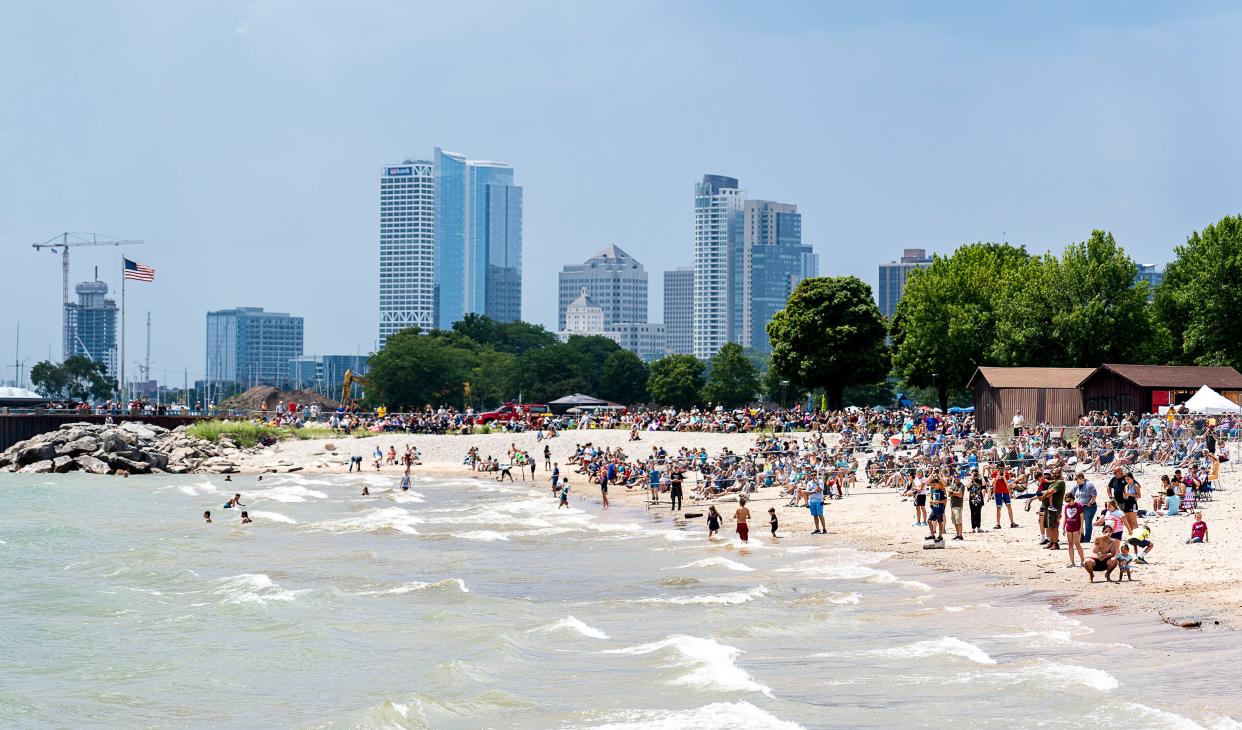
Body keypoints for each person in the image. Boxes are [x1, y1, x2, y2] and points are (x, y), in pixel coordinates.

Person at [1040, 469, 1066, 550]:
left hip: (1055, 508)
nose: (1054, 474)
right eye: (1053, 473)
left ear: (1060, 473)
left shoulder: (1060, 482)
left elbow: (1051, 491)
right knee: (1049, 526)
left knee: (1053, 526)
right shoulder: (1053, 482)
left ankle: (1056, 543)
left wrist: (1042, 497)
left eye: (1056, 473)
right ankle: (1051, 542)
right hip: (1048, 507)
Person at [1063, 494, 1084, 568]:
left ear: (1073, 498)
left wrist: (1081, 527)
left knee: (1077, 543)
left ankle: (1082, 560)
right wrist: (1063, 527)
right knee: (1070, 544)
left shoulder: (1078, 506)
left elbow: (1081, 517)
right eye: (1066, 501)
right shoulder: (1066, 507)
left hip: (1076, 527)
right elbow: (1065, 517)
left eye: (1069, 500)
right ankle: (1072, 561)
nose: (1068, 502)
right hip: (1068, 527)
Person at [1076, 472, 1098, 541]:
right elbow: (1073, 493)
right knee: (1079, 522)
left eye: (1077, 479)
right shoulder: (1077, 486)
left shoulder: (1089, 485)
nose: (1076, 480)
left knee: (1088, 522)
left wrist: (1091, 503)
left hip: (1088, 507)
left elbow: (1094, 494)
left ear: (1081, 478)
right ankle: (1081, 538)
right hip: (1080, 507)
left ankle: (1087, 538)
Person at [926, 477, 946, 545]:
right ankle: (932, 535)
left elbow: (944, 501)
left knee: (940, 522)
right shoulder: (933, 491)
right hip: (934, 509)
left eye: (935, 485)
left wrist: (937, 501)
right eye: (933, 485)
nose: (934, 486)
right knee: (929, 521)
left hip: (940, 509)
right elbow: (931, 499)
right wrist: (931, 502)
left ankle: (940, 536)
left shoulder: (942, 491)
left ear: (938, 484)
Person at [948, 476, 965, 541]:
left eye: (958, 477)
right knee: (955, 521)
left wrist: (952, 492)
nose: (956, 478)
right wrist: (955, 493)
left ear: (960, 478)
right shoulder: (953, 485)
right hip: (952, 505)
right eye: (955, 477)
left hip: (958, 505)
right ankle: (958, 534)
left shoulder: (962, 485)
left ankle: (960, 535)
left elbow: (960, 494)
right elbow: (949, 495)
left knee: (959, 521)